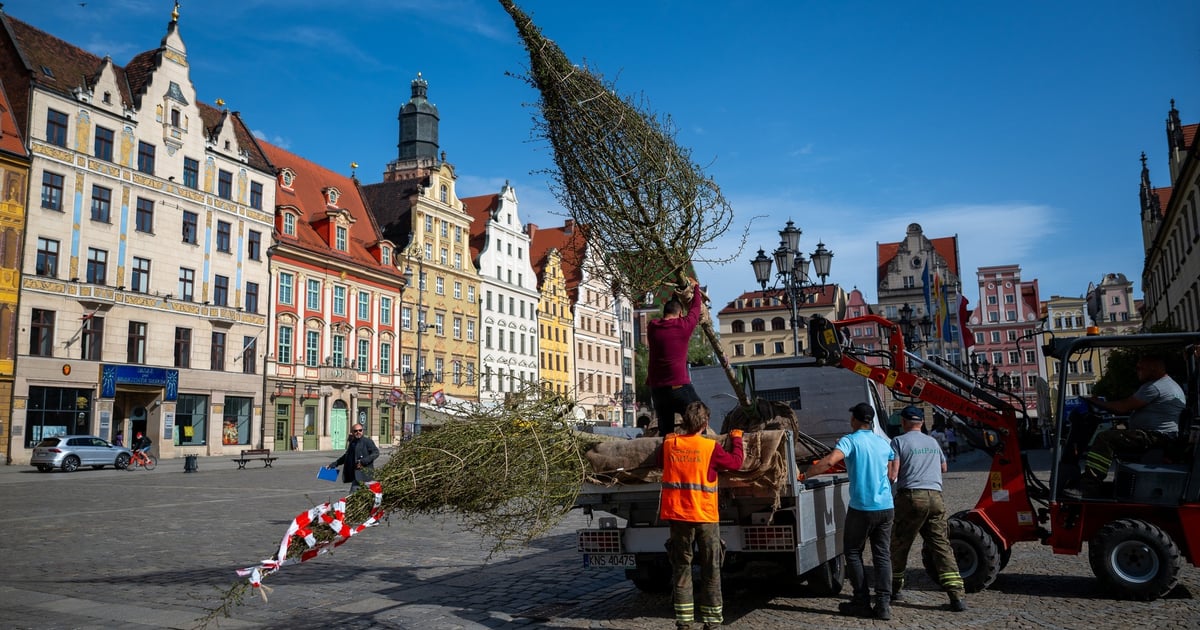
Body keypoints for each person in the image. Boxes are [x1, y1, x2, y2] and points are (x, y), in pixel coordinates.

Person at [809, 402, 899, 620]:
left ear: (855, 420)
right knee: (882, 554)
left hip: (862, 507)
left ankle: (861, 600)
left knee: (852, 552)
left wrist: (807, 474)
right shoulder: (881, 442)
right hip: (886, 506)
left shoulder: (850, 440)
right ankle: (884, 604)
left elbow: (831, 460)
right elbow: (893, 461)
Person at [658, 401, 744, 630]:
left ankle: (684, 623)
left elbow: (660, 462)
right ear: (705, 424)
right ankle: (712, 622)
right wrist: (736, 438)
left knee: (682, 569)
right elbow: (736, 463)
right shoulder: (710, 448)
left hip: (678, 517)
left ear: (684, 422)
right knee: (711, 570)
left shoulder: (669, 444)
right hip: (705, 518)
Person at [889, 406, 967, 612]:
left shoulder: (898, 441)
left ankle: (894, 588)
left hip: (912, 497)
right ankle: (956, 595)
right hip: (936, 497)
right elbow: (944, 468)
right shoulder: (932, 441)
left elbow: (893, 473)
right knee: (941, 546)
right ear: (922, 423)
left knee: (900, 543)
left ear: (904, 422)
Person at [1079, 353, 1184, 494]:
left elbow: (1122, 407)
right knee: (1116, 432)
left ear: (1153, 368)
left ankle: (1089, 484)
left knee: (1105, 438)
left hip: (1156, 436)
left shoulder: (1156, 387)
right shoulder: (1166, 384)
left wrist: (1097, 402)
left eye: (1140, 368)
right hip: (1160, 435)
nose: (1137, 371)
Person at [648, 278, 704, 436]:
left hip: (657, 390)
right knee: (700, 416)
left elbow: (665, 318)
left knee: (666, 431)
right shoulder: (683, 326)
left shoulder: (652, 327)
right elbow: (696, 308)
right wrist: (696, 288)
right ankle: (693, 449)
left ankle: (670, 455)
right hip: (678, 387)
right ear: (680, 313)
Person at [328, 424, 380, 493]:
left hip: (366, 476)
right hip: (356, 477)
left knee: (368, 497)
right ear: (352, 432)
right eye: (355, 431)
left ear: (362, 431)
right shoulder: (353, 443)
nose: (358, 432)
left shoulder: (367, 442)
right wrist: (334, 464)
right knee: (353, 497)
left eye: (360, 430)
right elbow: (346, 456)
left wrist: (363, 461)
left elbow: (376, 453)